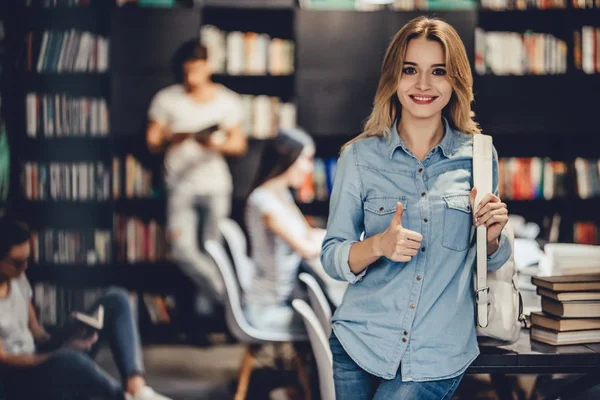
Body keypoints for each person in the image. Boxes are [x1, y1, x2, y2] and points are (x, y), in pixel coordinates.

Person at [320, 16, 512, 400]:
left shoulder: (478, 155)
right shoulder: (358, 157)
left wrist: (492, 239)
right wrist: (378, 245)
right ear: (394, 77)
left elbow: (489, 261)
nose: (423, 84)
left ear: (455, 81)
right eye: (411, 70)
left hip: (437, 353)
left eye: (438, 71)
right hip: (360, 342)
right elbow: (332, 255)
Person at [0, 217, 171, 400]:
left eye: (27, 260)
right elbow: (5, 359)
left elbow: (37, 333)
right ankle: (122, 397)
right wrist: (56, 355)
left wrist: (69, 336)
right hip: (20, 376)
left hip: (39, 356)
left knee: (117, 299)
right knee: (70, 360)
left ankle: (137, 388)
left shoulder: (18, 279)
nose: (24, 268)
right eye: (18, 263)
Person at [146, 40, 247, 314]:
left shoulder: (227, 101)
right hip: (180, 187)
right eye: (186, 71)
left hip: (215, 186)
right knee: (183, 250)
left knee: (213, 251)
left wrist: (213, 144)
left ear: (208, 67)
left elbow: (239, 145)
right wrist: (170, 135)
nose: (191, 78)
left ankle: (207, 321)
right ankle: (230, 300)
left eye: (197, 71)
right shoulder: (167, 99)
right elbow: (151, 141)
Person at [243, 128, 327, 334]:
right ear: (288, 157)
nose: (309, 168)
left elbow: (308, 234)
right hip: (268, 310)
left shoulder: (282, 195)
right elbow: (305, 249)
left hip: (286, 300)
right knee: (339, 321)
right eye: (306, 159)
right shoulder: (264, 203)